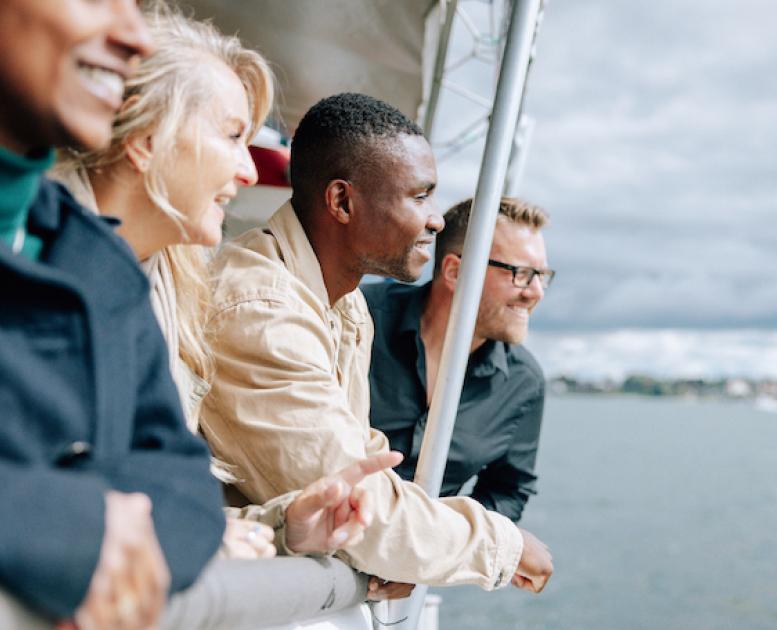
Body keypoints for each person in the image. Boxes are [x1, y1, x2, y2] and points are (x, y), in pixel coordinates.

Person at [53, 4, 405, 562]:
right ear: (147, 139)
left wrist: (284, 527)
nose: (247, 171)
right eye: (232, 135)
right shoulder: (38, 267)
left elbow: (139, 504)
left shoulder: (163, 283)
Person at [201, 93, 554, 597]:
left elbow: (357, 467)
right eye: (419, 197)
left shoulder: (345, 308)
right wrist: (505, 546)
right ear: (343, 202)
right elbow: (354, 500)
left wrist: (398, 548)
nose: (436, 220)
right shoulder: (261, 308)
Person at [0, 1, 225, 628]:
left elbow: (184, 484)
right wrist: (75, 534)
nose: (134, 37)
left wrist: (120, 553)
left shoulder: (96, 262)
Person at [364, 196, 554, 522]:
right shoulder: (359, 317)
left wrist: (443, 540)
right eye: (521, 273)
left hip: (416, 566)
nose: (536, 291)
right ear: (454, 271)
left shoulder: (523, 381)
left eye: (542, 275)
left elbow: (508, 490)